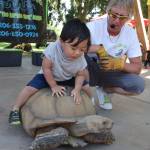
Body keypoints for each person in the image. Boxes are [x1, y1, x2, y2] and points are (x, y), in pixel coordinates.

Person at [9, 18, 92, 125]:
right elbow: (46, 68)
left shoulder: (80, 56)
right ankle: (15, 109)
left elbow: (80, 74)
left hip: (68, 77)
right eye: (73, 48)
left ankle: (91, 104)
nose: (77, 53)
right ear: (62, 42)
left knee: (87, 88)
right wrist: (53, 86)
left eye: (82, 49)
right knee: (29, 89)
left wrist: (77, 89)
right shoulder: (53, 49)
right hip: (48, 75)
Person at [86, 0, 145, 110]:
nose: (117, 21)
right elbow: (72, 47)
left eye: (122, 18)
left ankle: (106, 89)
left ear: (128, 18)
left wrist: (119, 64)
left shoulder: (131, 34)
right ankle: (84, 93)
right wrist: (98, 48)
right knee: (81, 59)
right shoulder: (92, 27)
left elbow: (137, 68)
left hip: (110, 73)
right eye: (113, 15)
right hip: (89, 71)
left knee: (138, 85)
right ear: (108, 12)